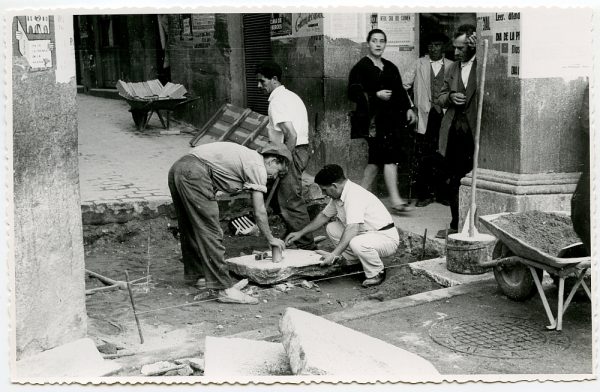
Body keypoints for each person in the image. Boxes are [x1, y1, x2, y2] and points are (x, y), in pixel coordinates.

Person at [168, 141, 291, 304]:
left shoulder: (247, 157)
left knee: (190, 227)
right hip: (195, 172)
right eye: (278, 172)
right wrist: (270, 238)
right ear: (273, 161)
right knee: (212, 231)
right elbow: (260, 211)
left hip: (179, 168)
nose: (274, 177)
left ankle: (198, 276)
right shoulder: (258, 166)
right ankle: (224, 289)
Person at [285, 164, 399, 287]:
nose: (324, 193)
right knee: (332, 228)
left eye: (324, 189)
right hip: (367, 234)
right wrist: (300, 233)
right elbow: (324, 216)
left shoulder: (354, 195)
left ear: (334, 186)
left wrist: (334, 254)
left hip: (385, 238)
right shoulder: (339, 195)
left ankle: (376, 272)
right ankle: (353, 262)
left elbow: (352, 228)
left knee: (357, 243)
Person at [348, 29, 418, 214]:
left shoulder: (390, 66)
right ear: (368, 43)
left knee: (374, 162)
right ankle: (395, 201)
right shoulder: (361, 67)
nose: (378, 44)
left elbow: (401, 92)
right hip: (373, 122)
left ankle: (356, 201)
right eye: (374, 41)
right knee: (389, 158)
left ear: (385, 44)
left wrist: (409, 109)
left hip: (392, 121)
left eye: (382, 41)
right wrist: (375, 95)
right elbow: (352, 92)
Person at [256, 61, 315, 250]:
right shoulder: (290, 96)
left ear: (274, 79)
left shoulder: (278, 101)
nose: (259, 86)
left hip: (291, 151)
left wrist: (285, 162)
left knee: (290, 201)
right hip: (298, 150)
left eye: (262, 81)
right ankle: (292, 235)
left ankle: (307, 247)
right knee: (278, 198)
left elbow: (291, 134)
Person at [435, 24, 478, 238]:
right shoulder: (452, 68)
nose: (456, 52)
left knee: (473, 179)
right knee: (453, 179)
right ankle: (455, 224)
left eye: (461, 48)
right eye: (455, 47)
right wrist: (450, 97)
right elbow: (440, 97)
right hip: (453, 131)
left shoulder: (482, 66)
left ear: (472, 46)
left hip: (475, 134)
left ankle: (471, 226)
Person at [403, 32, 454, 207]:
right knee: (424, 156)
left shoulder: (452, 65)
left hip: (445, 115)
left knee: (444, 155)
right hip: (424, 115)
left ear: (444, 47)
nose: (433, 48)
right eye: (431, 45)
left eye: (437, 45)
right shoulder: (419, 64)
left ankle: (442, 193)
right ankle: (424, 195)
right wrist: (411, 106)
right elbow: (404, 85)